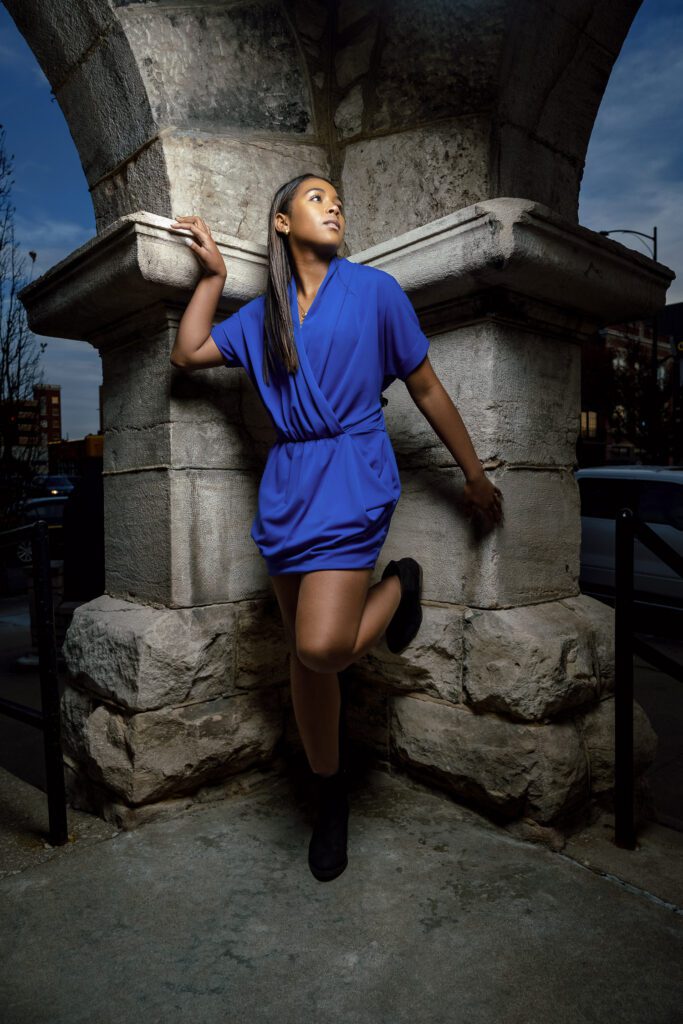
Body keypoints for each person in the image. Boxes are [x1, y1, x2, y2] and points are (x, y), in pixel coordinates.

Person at [169, 173, 503, 883]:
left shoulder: (375, 292)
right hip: (288, 483)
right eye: (316, 198)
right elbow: (187, 353)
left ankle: (398, 585)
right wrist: (214, 277)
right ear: (282, 221)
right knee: (304, 655)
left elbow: (424, 386)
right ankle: (330, 793)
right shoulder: (264, 316)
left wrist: (472, 475)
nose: (333, 206)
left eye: (337, 200)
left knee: (320, 646)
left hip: (352, 471)